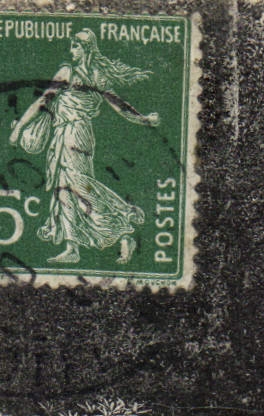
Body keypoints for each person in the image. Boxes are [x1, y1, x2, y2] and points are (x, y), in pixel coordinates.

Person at [7, 30, 160, 265]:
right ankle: (76, 246)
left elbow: (42, 101)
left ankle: (121, 223)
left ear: (86, 48)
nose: (72, 51)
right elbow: (122, 108)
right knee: (68, 188)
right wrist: (144, 119)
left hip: (70, 134)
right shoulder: (99, 77)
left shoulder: (68, 72)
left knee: (75, 186)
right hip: (79, 135)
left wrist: (18, 130)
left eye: (76, 47)